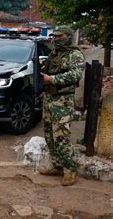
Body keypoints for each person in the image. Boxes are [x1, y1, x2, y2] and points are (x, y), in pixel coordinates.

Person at [39, 25, 85, 186]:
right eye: (55, 36)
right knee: (50, 136)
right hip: (49, 98)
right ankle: (57, 165)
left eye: (60, 36)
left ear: (68, 36)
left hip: (63, 100)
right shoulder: (54, 53)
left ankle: (70, 169)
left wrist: (51, 79)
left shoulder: (75, 54)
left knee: (61, 137)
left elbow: (75, 74)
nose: (56, 39)